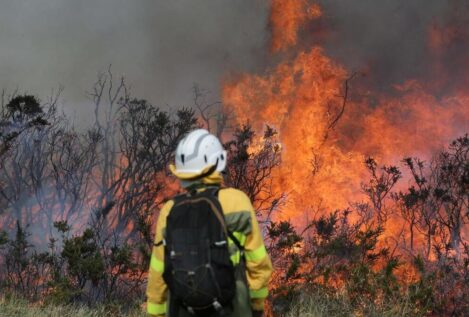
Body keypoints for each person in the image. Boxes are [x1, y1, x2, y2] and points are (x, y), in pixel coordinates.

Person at [146, 129, 272, 317]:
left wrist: (155, 313)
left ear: (181, 172)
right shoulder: (237, 202)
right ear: (219, 162)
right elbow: (258, 264)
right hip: (231, 307)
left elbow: (158, 273)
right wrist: (256, 305)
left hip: (183, 309)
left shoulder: (169, 211)